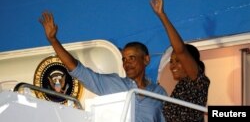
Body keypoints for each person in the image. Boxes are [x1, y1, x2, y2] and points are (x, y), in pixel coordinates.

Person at [39, 11, 167, 122]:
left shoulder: (159, 93)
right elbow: (77, 69)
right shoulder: (112, 83)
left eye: (132, 58)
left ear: (146, 59)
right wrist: (53, 40)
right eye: (124, 59)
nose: (126, 63)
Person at [149, 0, 210, 122]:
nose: (172, 66)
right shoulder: (181, 87)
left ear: (191, 62)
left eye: (178, 61)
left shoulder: (197, 82)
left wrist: (162, 15)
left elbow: (180, 49)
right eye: (171, 61)